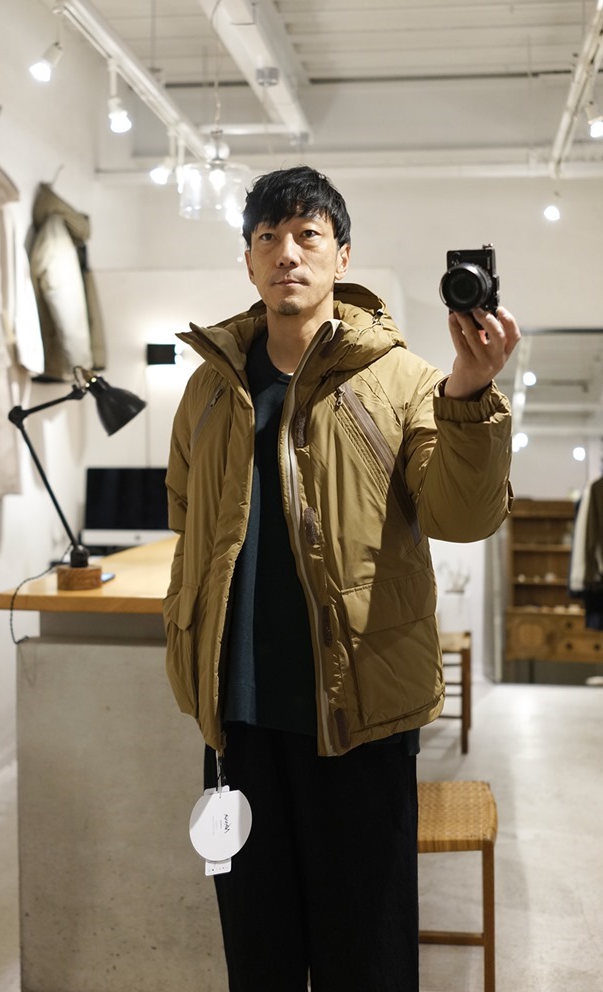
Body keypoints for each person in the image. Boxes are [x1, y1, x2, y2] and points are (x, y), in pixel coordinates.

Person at [163, 166, 520, 992]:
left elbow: (461, 515)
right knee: (258, 956)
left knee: (367, 958)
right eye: (268, 237)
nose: (287, 253)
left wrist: (471, 395)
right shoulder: (209, 387)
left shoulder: (402, 381)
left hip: (360, 717)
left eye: (307, 235)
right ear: (249, 260)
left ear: (342, 255)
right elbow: (187, 514)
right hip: (237, 722)